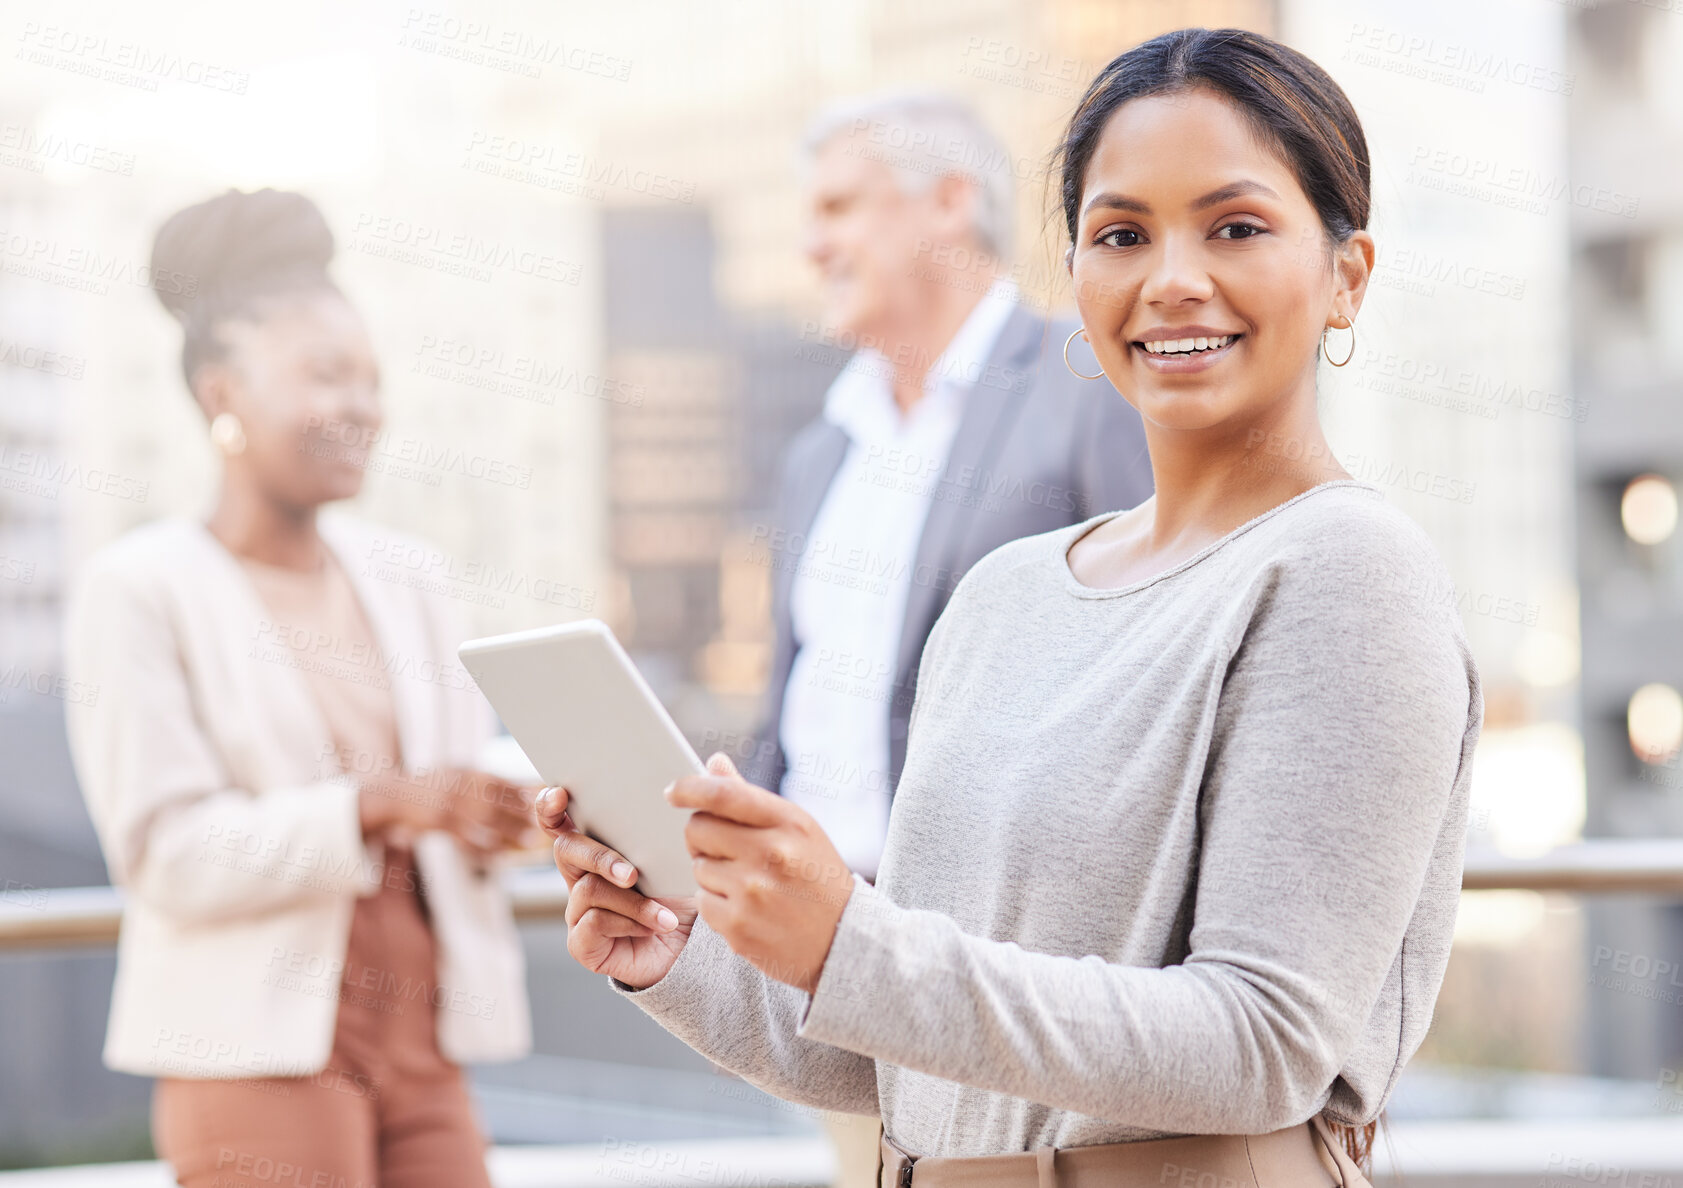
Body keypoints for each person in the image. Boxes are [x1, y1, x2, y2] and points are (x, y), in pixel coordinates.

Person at [543, 26, 1486, 1186]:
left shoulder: (1345, 571)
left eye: (1234, 226)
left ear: (1346, 275)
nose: (1171, 276)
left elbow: (1263, 1044)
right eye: (1122, 234)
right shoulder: (1004, 595)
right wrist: (680, 960)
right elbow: (920, 1056)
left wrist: (856, 943)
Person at [65, 188, 537, 1188]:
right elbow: (166, 854)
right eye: (325, 376)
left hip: (429, 1040)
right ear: (222, 395)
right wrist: (383, 805)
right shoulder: (141, 591)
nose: (361, 406)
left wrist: (501, 815)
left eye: (371, 379)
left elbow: (451, 805)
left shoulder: (413, 579)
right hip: (255, 1051)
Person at [744, 92, 1153, 887]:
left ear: (949, 200)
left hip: (992, 935)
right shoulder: (818, 452)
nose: (812, 246)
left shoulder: (1090, 382)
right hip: (799, 938)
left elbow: (1149, 673)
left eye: (838, 207)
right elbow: (789, 712)